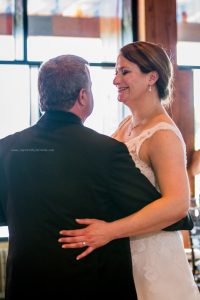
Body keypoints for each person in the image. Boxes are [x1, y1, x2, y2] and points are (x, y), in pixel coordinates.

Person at [0, 54, 189, 299]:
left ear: (41, 98)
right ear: (83, 96)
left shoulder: (7, 148)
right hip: (90, 284)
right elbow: (164, 211)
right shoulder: (105, 151)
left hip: (26, 284)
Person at [58, 42, 200, 299]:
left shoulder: (163, 134)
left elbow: (177, 204)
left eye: (125, 72)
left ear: (152, 77)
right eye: (115, 71)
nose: (115, 80)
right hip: (123, 252)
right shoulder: (126, 124)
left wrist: (109, 230)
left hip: (153, 257)